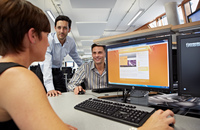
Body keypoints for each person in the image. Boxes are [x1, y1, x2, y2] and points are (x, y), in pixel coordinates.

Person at [0, 0, 77, 129]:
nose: (48, 43)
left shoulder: (6, 71)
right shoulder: (19, 77)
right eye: (47, 35)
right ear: (33, 36)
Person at [38, 15, 83, 97]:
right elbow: (47, 65)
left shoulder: (71, 42)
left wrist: (86, 68)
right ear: (55, 28)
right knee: (47, 97)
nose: (61, 31)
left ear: (69, 30)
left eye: (65, 28)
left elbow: (76, 58)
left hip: (57, 71)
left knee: (63, 95)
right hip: (43, 71)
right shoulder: (49, 41)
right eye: (59, 28)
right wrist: (50, 88)